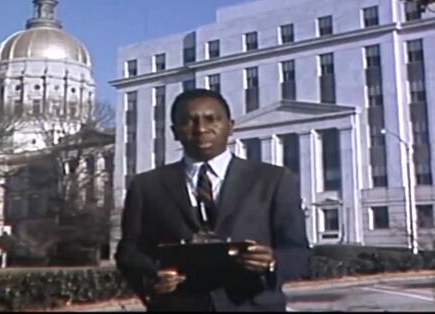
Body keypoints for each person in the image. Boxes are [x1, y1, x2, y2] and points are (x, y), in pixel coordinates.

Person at [116, 89, 311, 311]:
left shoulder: (273, 179)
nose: (201, 129)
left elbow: (298, 252)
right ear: (174, 132)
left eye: (211, 119)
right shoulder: (146, 186)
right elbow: (129, 252)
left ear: (230, 126)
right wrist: (152, 277)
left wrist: (271, 262)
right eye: (189, 122)